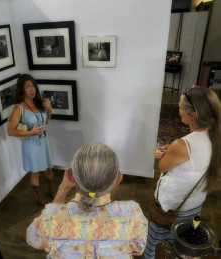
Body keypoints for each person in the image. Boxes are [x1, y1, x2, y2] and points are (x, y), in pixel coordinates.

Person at [27, 142, 148, 258]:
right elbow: (138, 249)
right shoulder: (134, 214)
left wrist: (63, 188)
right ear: (118, 179)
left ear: (71, 176)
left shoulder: (50, 216)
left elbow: (33, 239)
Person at [144, 86, 221, 258]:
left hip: (172, 208)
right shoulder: (215, 137)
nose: (178, 111)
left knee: (157, 247)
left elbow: (162, 167)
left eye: (179, 107)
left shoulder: (183, 145)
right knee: (181, 246)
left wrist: (161, 154)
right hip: (194, 205)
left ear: (192, 114)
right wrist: (172, 149)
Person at [8, 74, 55, 206]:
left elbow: (45, 122)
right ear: (22, 89)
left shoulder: (39, 103)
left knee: (49, 168)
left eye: (33, 85)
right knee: (36, 172)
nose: (32, 89)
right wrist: (30, 132)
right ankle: (38, 196)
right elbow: (10, 131)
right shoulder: (19, 108)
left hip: (43, 142)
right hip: (32, 145)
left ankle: (51, 188)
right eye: (28, 87)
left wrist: (50, 110)